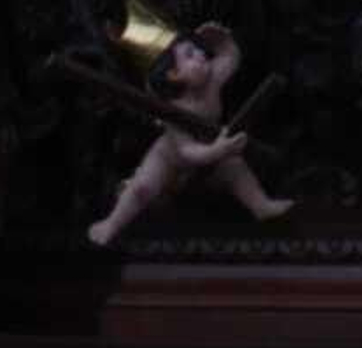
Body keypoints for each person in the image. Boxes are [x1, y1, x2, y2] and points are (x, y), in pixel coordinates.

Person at [87, 23, 291, 247]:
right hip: (170, 157)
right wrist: (217, 150)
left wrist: (224, 41)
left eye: (198, 49)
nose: (202, 54)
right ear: (174, 74)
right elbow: (187, 152)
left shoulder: (211, 78)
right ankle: (112, 223)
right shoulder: (174, 110)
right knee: (142, 188)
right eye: (190, 54)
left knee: (235, 168)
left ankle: (260, 205)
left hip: (211, 145)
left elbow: (231, 58)